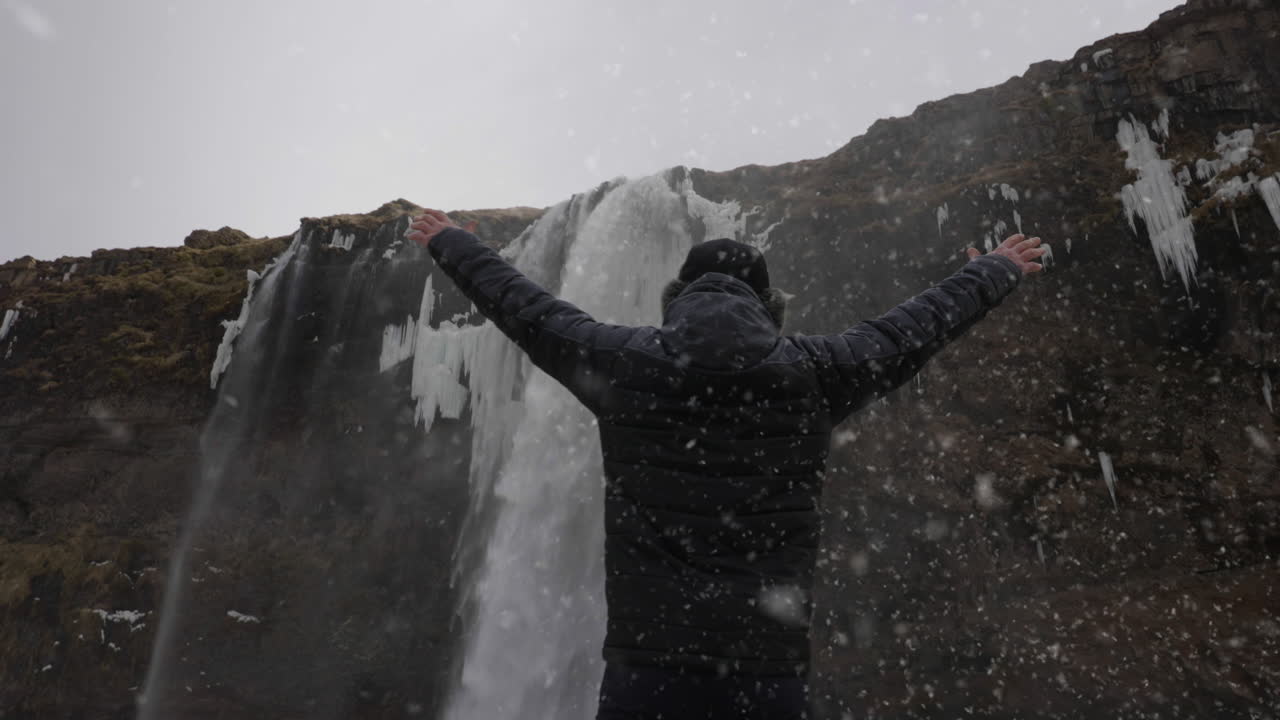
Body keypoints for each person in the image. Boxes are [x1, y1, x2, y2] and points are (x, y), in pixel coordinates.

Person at [407, 209, 1045, 720]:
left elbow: (526, 309)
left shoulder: (621, 361)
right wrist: (992, 271)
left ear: (675, 297)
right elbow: (911, 330)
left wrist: (453, 243)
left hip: (645, 670)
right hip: (765, 673)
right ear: (770, 305)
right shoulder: (816, 371)